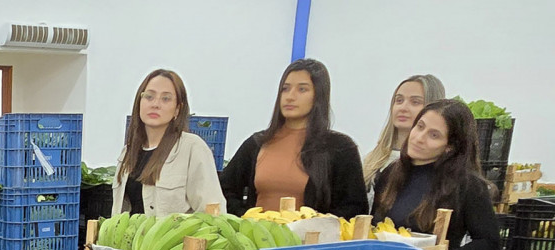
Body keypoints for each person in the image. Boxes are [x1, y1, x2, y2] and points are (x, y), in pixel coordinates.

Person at [221, 58, 367, 218]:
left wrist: (314, 223)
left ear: (319, 96)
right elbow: (223, 189)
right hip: (257, 233)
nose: (290, 96)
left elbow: (354, 207)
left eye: (302, 89)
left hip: (312, 234)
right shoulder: (257, 143)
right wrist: (247, 218)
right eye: (285, 89)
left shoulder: (341, 148)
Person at [373, 99, 500, 250]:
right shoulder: (390, 173)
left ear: (450, 146)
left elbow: (489, 245)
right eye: (420, 126)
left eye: (434, 135)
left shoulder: (468, 184)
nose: (419, 138)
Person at [112, 69, 225, 217]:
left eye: (165, 99)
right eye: (149, 96)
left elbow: (213, 212)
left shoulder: (192, 148)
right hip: (132, 232)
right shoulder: (128, 152)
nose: (155, 104)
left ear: (177, 109)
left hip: (175, 233)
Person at [362, 74, 446, 189]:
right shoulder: (371, 159)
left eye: (415, 102)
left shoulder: (437, 167)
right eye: (399, 100)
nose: (403, 108)